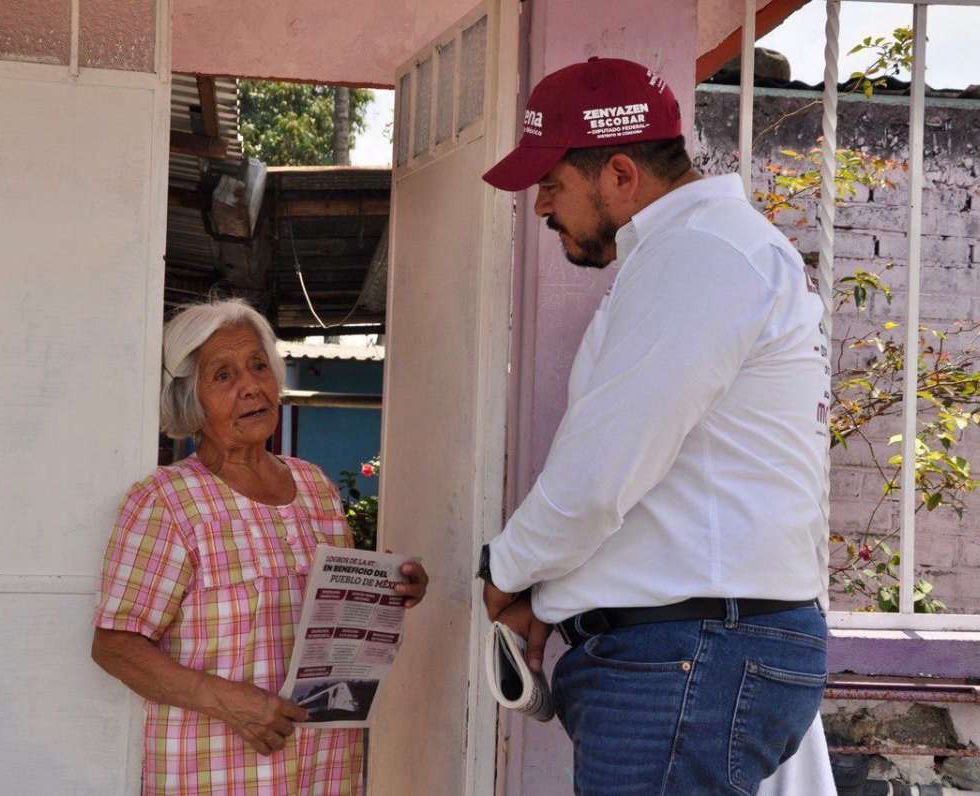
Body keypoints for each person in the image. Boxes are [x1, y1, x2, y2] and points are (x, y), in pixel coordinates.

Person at [477, 57, 832, 794]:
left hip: (687, 657)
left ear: (618, 174)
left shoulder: (697, 257)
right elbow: (656, 487)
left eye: (552, 182)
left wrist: (503, 572)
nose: (541, 205)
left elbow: (599, 479)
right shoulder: (705, 252)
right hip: (695, 649)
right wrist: (548, 600)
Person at [90, 298, 428, 795]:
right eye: (223, 376)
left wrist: (389, 592)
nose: (250, 385)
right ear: (190, 401)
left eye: (257, 365)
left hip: (323, 767)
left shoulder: (315, 486)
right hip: (218, 771)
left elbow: (335, 620)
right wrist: (229, 701)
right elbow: (116, 647)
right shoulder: (165, 501)